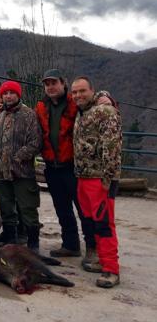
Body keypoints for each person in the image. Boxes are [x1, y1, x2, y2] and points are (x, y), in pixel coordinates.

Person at [35, 69, 97, 260]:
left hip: (73, 166)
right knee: (62, 209)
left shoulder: (75, 102)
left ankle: (92, 248)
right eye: (47, 84)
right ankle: (70, 245)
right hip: (52, 167)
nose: (51, 87)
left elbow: (95, 104)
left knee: (84, 209)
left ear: (64, 84)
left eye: (54, 83)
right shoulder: (41, 107)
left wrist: (105, 97)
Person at [72, 76, 122, 288]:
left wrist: (107, 179)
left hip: (100, 179)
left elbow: (111, 146)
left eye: (82, 91)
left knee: (104, 224)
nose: (78, 95)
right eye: (74, 92)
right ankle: (102, 260)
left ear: (92, 90)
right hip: (83, 176)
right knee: (92, 221)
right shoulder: (82, 113)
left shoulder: (106, 112)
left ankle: (111, 269)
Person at [0, 80, 42, 250]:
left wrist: (18, 156)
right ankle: (10, 240)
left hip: (22, 172)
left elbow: (36, 142)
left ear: (18, 95)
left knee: (28, 208)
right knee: (7, 208)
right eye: (5, 93)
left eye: (11, 93)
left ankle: (33, 244)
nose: (8, 96)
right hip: (1, 172)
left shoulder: (29, 115)